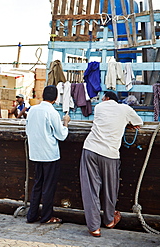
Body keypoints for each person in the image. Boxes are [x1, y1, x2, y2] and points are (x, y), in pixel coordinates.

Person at [79, 91, 143, 237]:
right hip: (110, 154)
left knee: (91, 190)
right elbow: (139, 122)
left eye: (103, 97)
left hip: (91, 149)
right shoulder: (125, 109)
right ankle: (109, 220)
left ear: (107, 98)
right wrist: (129, 125)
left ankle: (94, 227)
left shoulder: (99, 107)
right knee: (110, 189)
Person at [26, 85, 70, 224]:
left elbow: (28, 129)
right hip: (50, 155)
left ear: (43, 96)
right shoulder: (52, 113)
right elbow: (61, 135)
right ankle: (46, 217)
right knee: (48, 187)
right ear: (56, 98)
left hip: (35, 153)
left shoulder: (33, 109)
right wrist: (66, 123)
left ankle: (31, 215)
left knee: (37, 184)